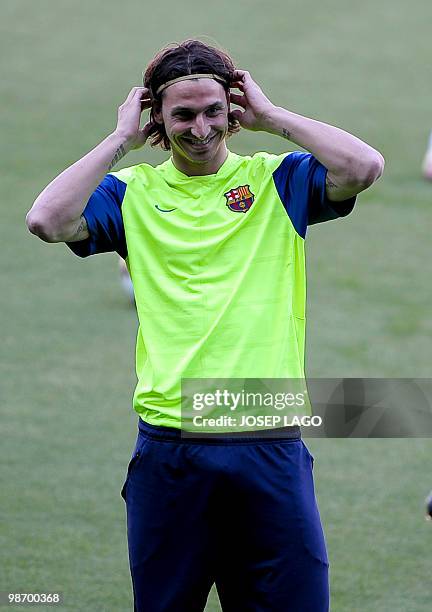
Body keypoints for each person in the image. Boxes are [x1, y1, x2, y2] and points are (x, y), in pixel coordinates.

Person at [26, 39, 384, 612]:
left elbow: (363, 167)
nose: (200, 128)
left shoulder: (279, 182)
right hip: (171, 449)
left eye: (213, 110)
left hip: (267, 441)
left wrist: (273, 118)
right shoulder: (130, 193)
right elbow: (47, 218)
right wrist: (119, 140)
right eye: (183, 115)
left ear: (233, 111)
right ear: (158, 121)